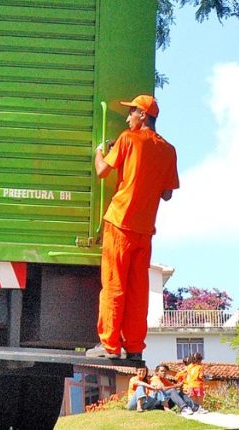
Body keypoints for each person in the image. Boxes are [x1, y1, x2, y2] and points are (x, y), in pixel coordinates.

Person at [87, 95, 179, 361]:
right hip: (144, 230)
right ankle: (135, 346)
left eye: (131, 113)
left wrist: (99, 152)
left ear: (142, 115)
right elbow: (167, 194)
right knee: (138, 291)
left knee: (114, 286)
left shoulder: (128, 139)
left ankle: (110, 346)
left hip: (119, 224)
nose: (127, 118)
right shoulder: (169, 150)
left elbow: (103, 170)